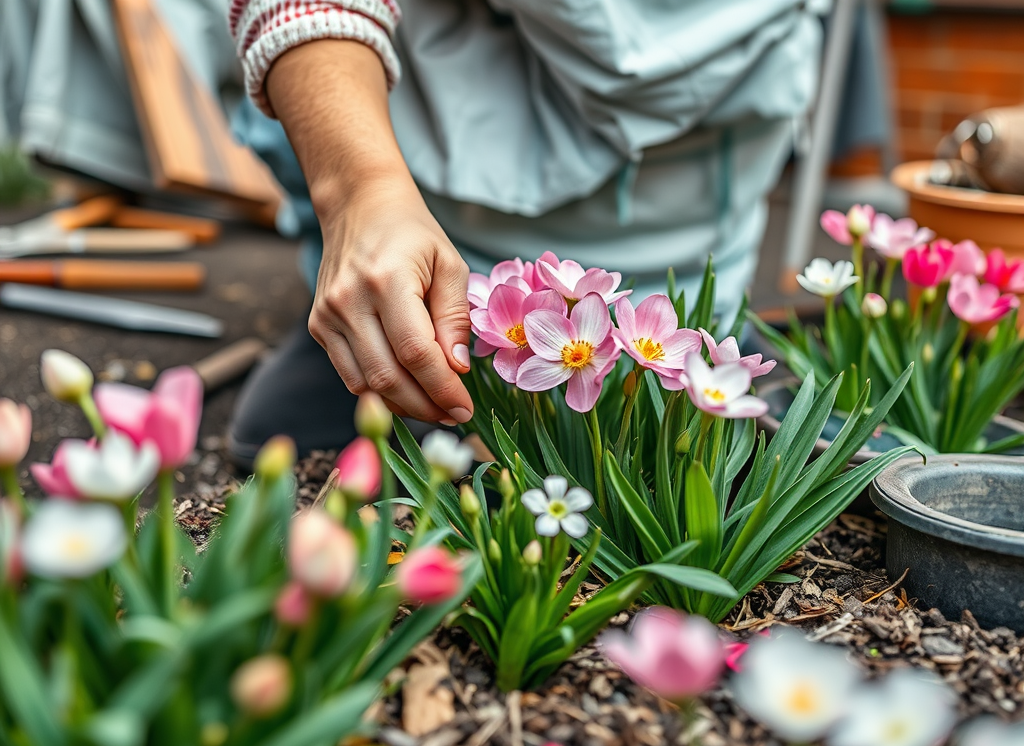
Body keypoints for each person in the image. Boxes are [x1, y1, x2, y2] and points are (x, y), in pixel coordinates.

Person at [227, 0, 822, 466]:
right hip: (451, 226)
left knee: (707, 449)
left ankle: (715, 336)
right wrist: (361, 194)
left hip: (704, 196)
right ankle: (382, 318)